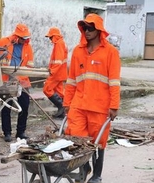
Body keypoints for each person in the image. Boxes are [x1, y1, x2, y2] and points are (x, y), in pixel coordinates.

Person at [63, 13, 121, 183]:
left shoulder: (110, 52)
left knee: (99, 142)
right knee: (77, 138)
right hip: (78, 105)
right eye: (84, 27)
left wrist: (114, 106)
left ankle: (97, 175)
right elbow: (71, 80)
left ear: (99, 30)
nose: (87, 31)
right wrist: (67, 103)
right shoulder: (78, 51)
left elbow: (115, 82)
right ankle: (84, 167)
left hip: (99, 106)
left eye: (91, 28)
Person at [0, 23, 34, 142]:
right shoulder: (4, 42)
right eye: (23, 38)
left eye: (26, 38)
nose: (24, 40)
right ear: (16, 36)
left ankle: (21, 132)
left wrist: (20, 77)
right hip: (6, 80)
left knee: (24, 106)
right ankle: (7, 133)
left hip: (23, 81)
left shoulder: (28, 47)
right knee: (6, 107)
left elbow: (30, 66)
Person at [43, 27, 68, 118]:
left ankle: (61, 106)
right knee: (60, 92)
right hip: (60, 73)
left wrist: (52, 71)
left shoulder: (59, 44)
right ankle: (64, 111)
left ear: (55, 36)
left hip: (56, 73)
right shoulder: (61, 43)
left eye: (51, 37)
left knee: (47, 89)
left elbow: (58, 61)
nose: (50, 39)